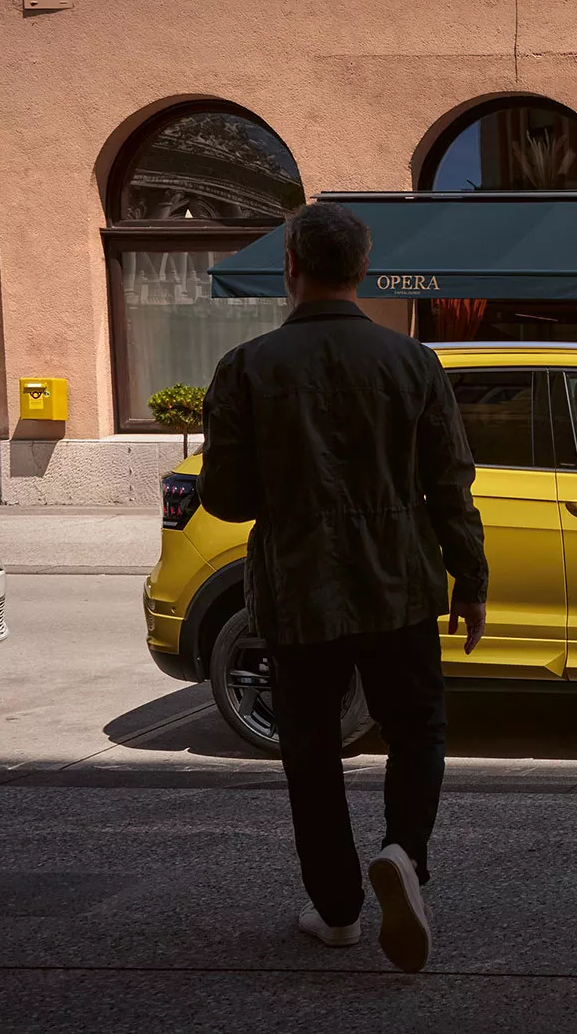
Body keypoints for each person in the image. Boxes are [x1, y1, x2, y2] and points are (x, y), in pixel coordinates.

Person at [200, 201, 489, 972]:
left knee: (312, 749)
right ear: (363, 271)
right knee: (418, 727)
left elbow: (225, 497)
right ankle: (405, 856)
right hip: (398, 580)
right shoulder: (412, 362)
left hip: (299, 588)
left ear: (291, 266)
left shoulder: (248, 368)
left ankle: (335, 914)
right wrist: (471, 579)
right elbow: (451, 484)